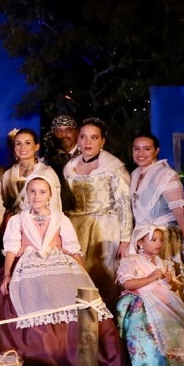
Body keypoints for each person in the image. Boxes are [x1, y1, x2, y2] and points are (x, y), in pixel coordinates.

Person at [0, 177, 126, 366]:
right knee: (30, 297)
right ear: (27, 194)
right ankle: (43, 357)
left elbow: (72, 248)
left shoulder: (60, 218)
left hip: (58, 263)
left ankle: (77, 358)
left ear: (50, 195)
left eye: (42, 192)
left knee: (73, 299)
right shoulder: (18, 219)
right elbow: (10, 248)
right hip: (28, 265)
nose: (37, 196)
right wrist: (8, 274)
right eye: (33, 191)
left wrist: (84, 276)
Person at [63, 118, 132, 309]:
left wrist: (125, 239)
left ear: (102, 141)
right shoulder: (69, 168)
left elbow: (124, 204)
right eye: (83, 137)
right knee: (79, 274)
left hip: (105, 228)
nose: (87, 142)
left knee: (105, 274)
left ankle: (107, 323)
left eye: (94, 138)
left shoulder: (113, 168)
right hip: (77, 227)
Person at [115, 226, 184, 366]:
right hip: (140, 301)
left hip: (163, 302)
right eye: (153, 240)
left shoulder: (164, 263)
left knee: (173, 332)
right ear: (141, 242)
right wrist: (151, 277)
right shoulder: (131, 261)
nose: (159, 243)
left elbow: (174, 287)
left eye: (161, 240)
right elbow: (126, 283)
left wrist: (171, 281)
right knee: (141, 332)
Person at [130, 133, 184, 269]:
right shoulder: (135, 174)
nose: (140, 153)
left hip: (163, 240)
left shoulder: (166, 175)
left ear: (156, 151)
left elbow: (181, 214)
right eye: (136, 149)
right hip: (142, 241)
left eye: (147, 149)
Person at [0, 128, 62, 245]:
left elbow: (54, 206)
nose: (23, 148)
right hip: (14, 227)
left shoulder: (46, 172)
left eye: (28, 143)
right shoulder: (8, 174)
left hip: (40, 226)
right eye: (18, 144)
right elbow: (4, 202)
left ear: (37, 147)